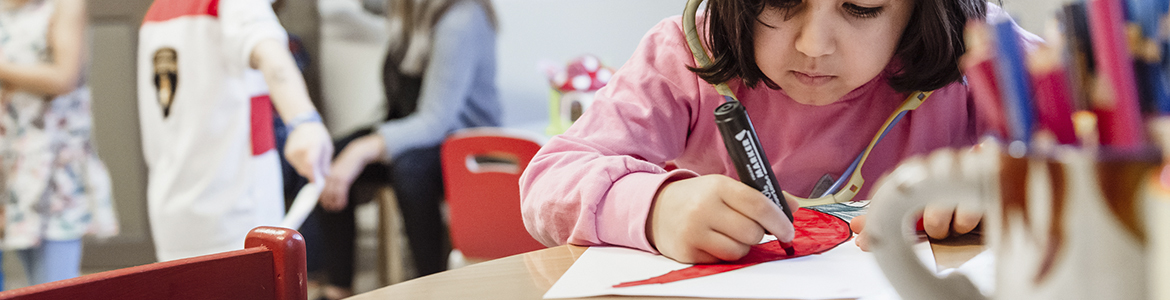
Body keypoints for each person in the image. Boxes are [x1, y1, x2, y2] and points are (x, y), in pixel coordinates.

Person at [519, 0, 1040, 264]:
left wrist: (1020, 181)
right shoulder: (682, 55)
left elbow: (1105, 148)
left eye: (861, 7)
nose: (814, 45)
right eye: (781, 0)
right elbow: (550, 178)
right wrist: (655, 208)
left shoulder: (985, 49)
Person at [317, 0, 500, 296]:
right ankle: (339, 286)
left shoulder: (461, 19)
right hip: (413, 127)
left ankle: (433, 286)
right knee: (330, 156)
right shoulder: (406, 8)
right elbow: (369, 5)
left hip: (462, 141)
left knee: (410, 171)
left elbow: (435, 121)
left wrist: (362, 150)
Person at [138, 0, 334, 261]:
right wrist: (304, 120)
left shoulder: (157, 12)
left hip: (173, 213)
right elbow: (269, 53)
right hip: (236, 211)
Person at [0, 0, 119, 285]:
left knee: (54, 286)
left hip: (51, 169)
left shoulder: (63, 6)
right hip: (7, 166)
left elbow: (64, 76)